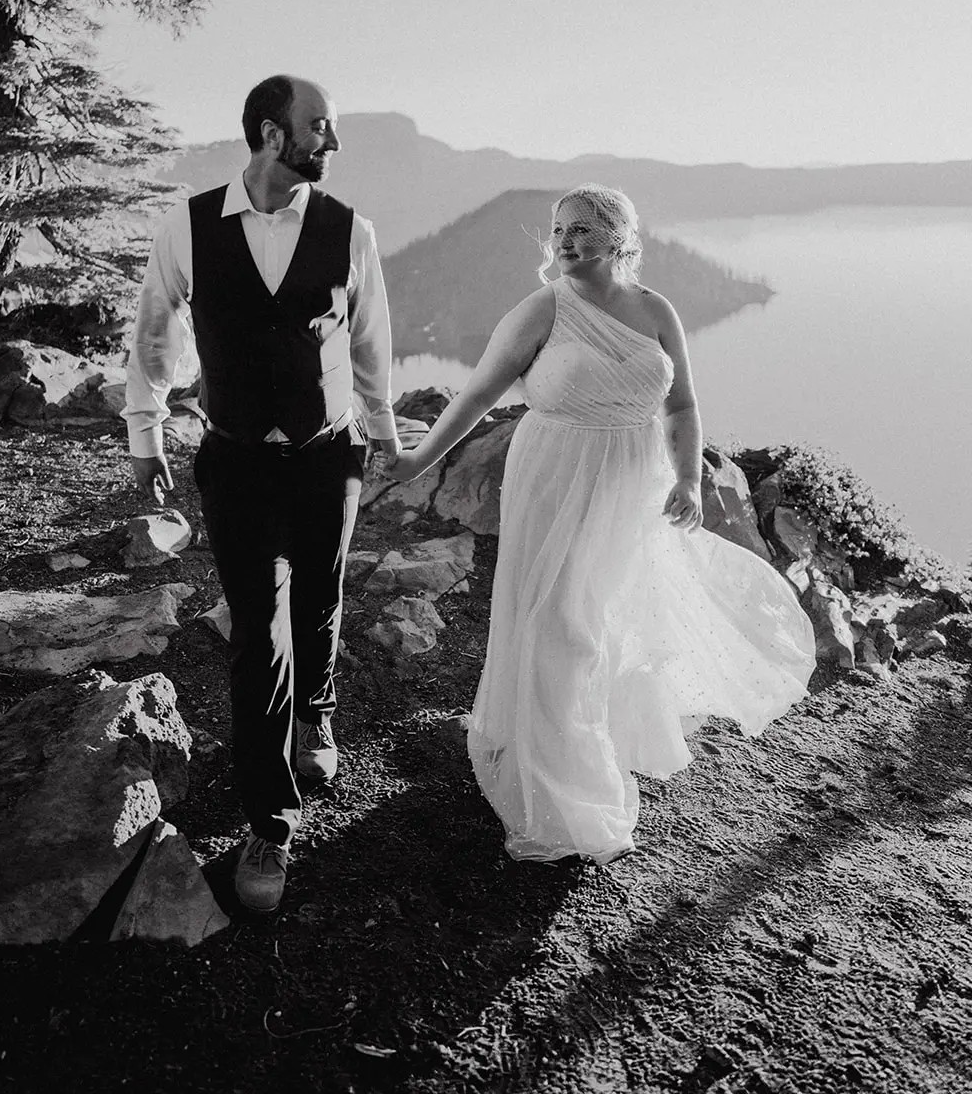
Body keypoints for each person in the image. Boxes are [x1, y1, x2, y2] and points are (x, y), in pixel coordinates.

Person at [390, 184, 815, 863]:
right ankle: (559, 779)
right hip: (556, 475)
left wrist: (685, 479)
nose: (565, 240)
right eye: (559, 228)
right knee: (560, 620)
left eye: (583, 229)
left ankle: (587, 733)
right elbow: (476, 395)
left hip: (633, 481)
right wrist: (415, 459)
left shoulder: (655, 310)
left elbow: (680, 407)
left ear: (620, 237)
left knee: (608, 616)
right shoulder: (541, 310)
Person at [124, 74, 400, 913]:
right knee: (257, 639)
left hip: (328, 459)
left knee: (321, 599)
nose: (333, 141)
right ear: (271, 135)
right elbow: (154, 327)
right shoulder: (189, 226)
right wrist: (146, 429)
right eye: (320, 126)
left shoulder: (349, 230)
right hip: (235, 461)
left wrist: (384, 433)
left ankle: (318, 712)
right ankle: (268, 823)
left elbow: (371, 339)